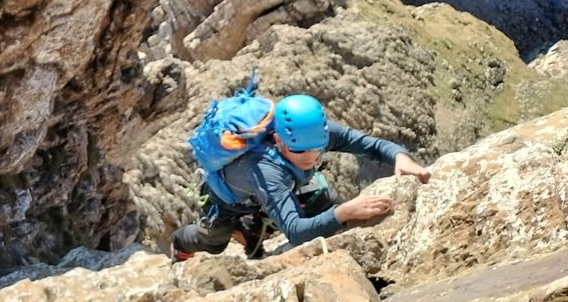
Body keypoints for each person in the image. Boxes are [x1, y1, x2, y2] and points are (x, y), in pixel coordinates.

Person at [170, 93, 432, 260]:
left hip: (272, 188)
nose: (310, 157)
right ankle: (180, 242)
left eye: (317, 149)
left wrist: (401, 157)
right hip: (225, 199)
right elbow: (295, 231)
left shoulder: (313, 133)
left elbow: (370, 145)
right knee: (213, 243)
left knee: (325, 200)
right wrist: (344, 213)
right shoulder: (264, 168)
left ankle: (250, 230)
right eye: (299, 150)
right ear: (278, 140)